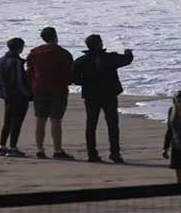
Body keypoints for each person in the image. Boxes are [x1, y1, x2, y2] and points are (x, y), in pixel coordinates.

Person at [72, 34, 133, 163]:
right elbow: (127, 60)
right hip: (109, 95)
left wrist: (86, 82)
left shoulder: (81, 60)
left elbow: (73, 78)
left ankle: (92, 154)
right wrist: (128, 52)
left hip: (91, 95)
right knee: (112, 125)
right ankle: (115, 154)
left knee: (91, 124)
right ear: (100, 44)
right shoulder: (110, 58)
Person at [26, 27, 74, 160]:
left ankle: (40, 149)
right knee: (56, 120)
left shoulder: (35, 52)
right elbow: (69, 72)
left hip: (39, 89)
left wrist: (30, 88)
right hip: (58, 90)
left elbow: (30, 72)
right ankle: (57, 150)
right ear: (55, 36)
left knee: (40, 120)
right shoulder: (63, 53)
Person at [0, 37, 31, 157]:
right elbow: (19, 81)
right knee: (16, 122)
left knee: (7, 121)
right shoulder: (16, 62)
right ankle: (13, 147)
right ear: (19, 48)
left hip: (6, 94)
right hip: (18, 95)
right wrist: (27, 94)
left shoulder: (1, 60)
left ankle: (1, 146)